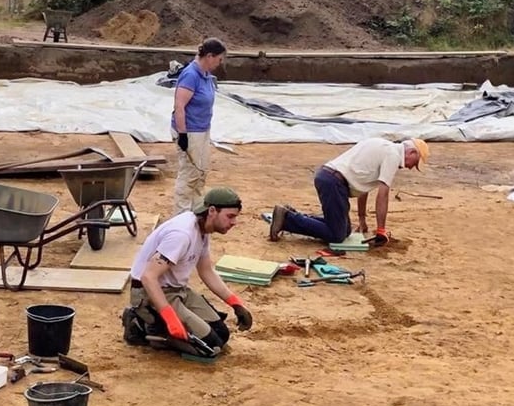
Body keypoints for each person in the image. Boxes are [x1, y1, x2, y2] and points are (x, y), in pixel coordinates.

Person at [122, 187, 253, 356]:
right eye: (230, 216)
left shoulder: (203, 228)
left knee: (221, 334)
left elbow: (206, 272)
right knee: (209, 348)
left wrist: (236, 304)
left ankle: (159, 324)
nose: (234, 222)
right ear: (212, 211)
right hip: (150, 293)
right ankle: (143, 325)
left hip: (178, 291)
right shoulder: (182, 234)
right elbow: (148, 277)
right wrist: (169, 317)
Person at [268, 137, 429, 246]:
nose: (411, 168)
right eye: (414, 163)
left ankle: (291, 214)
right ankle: (287, 219)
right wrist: (381, 230)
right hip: (334, 183)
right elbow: (383, 194)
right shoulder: (393, 155)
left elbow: (364, 187)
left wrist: (362, 219)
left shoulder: (381, 144)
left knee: (344, 230)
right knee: (337, 236)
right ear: (412, 153)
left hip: (330, 178)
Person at [171, 38, 227, 214]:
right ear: (209, 56)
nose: (220, 63)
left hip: (202, 130)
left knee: (200, 174)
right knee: (189, 175)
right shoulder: (191, 75)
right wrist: (183, 135)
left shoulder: (206, 75)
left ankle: (196, 213)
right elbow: (179, 106)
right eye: (219, 59)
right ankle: (180, 217)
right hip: (190, 131)